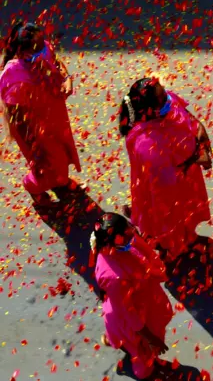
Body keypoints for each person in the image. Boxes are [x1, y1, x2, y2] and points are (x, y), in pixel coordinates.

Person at [118, 77, 213, 264]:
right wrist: (196, 158)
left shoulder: (165, 103)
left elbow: (185, 113)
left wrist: (200, 132)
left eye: (163, 91)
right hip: (168, 192)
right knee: (170, 220)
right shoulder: (145, 143)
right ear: (151, 110)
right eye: (162, 96)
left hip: (184, 177)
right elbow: (165, 182)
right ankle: (175, 248)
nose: (168, 97)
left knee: (183, 215)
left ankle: (182, 236)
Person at [0, 21, 81, 206]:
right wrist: (35, 149)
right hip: (36, 131)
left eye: (42, 43)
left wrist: (67, 79)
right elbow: (18, 120)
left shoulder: (42, 48)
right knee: (49, 165)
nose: (44, 48)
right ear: (22, 52)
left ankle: (60, 180)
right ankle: (32, 185)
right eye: (38, 47)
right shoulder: (15, 77)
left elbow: (55, 60)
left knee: (62, 156)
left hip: (55, 117)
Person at [91, 213, 174, 380]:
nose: (133, 234)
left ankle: (122, 345)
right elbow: (128, 314)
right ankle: (146, 373)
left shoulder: (108, 245)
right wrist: (151, 339)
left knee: (132, 345)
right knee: (142, 352)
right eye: (127, 234)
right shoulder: (114, 277)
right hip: (135, 319)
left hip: (139, 300)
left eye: (130, 229)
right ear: (113, 241)